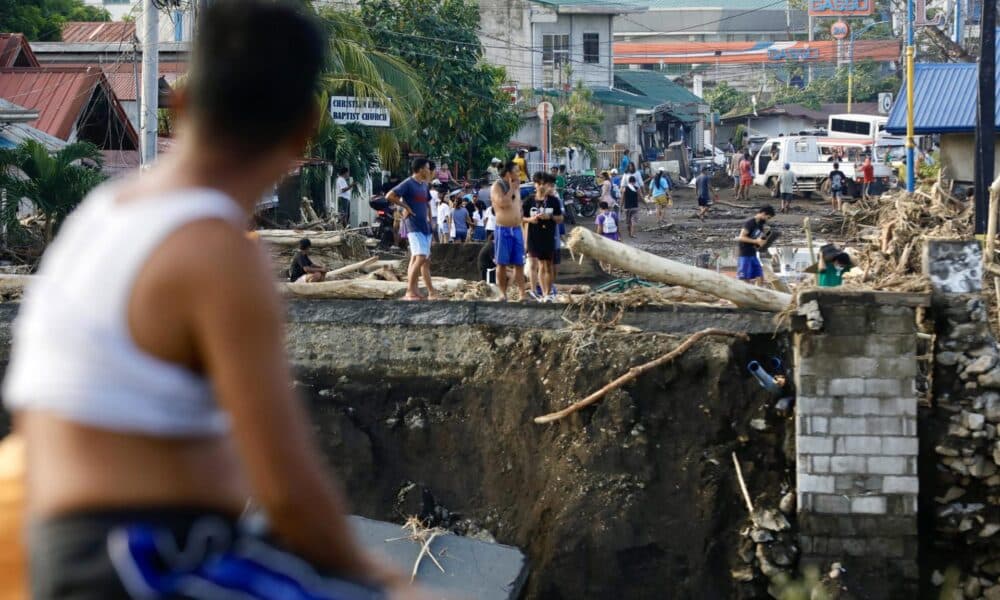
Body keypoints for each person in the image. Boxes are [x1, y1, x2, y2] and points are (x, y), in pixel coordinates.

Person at [1, 1, 422, 598]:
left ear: (180, 104)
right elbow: (287, 491)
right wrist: (383, 578)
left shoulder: (99, 216)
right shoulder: (216, 251)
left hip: (66, 550)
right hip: (141, 562)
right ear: (304, 127)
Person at [389, 157, 440, 300]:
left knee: (421, 259)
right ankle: (409, 291)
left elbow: (427, 203)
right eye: (428, 168)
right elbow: (390, 196)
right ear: (421, 169)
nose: (430, 171)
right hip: (414, 225)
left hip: (424, 226)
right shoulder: (408, 183)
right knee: (421, 257)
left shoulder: (423, 185)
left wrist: (430, 221)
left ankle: (417, 290)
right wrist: (406, 207)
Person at [523, 173, 563, 301]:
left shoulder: (553, 200)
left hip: (548, 237)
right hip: (533, 237)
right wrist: (531, 219)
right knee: (539, 264)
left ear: (547, 185)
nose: (541, 186)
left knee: (548, 265)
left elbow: (560, 218)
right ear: (535, 184)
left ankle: (548, 293)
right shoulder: (529, 200)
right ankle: (540, 292)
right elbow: (520, 217)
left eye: (543, 184)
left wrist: (550, 217)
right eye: (538, 184)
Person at [491, 161, 527, 300]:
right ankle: (502, 293)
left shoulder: (517, 187)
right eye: (517, 171)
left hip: (517, 229)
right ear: (508, 173)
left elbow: (519, 206)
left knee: (519, 263)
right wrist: (511, 189)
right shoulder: (497, 186)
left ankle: (522, 293)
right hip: (503, 229)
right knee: (502, 263)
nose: (519, 173)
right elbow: (503, 203)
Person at [736, 205, 775, 285]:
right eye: (768, 217)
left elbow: (758, 240)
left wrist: (762, 242)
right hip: (744, 254)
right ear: (763, 213)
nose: (767, 220)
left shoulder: (760, 225)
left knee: (760, 275)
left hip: (753, 253)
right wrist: (756, 241)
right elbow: (741, 237)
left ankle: (760, 292)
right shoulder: (750, 223)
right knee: (745, 278)